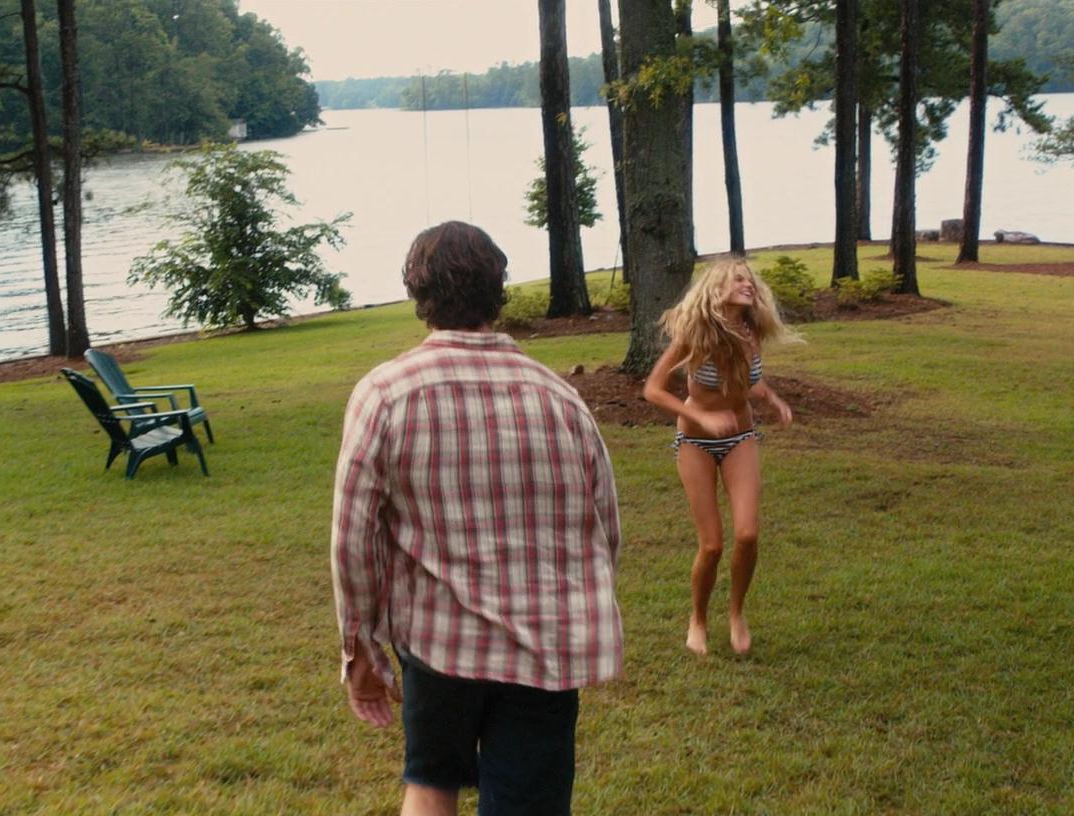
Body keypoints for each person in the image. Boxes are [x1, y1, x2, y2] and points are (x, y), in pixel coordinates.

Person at [331, 221, 624, 816]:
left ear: (418, 292)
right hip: (543, 647)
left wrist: (359, 647)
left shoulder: (385, 394)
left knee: (431, 785)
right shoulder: (560, 399)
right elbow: (605, 529)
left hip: (437, 645)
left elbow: (352, 539)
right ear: (498, 290)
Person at [640, 257, 797, 656]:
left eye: (750, 280)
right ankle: (698, 618)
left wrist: (772, 398)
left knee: (748, 534)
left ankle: (737, 613)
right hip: (695, 443)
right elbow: (653, 390)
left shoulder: (750, 331)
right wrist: (702, 418)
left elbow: (747, 381)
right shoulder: (694, 335)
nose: (748, 284)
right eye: (738, 280)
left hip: (741, 437)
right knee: (711, 546)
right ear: (717, 289)